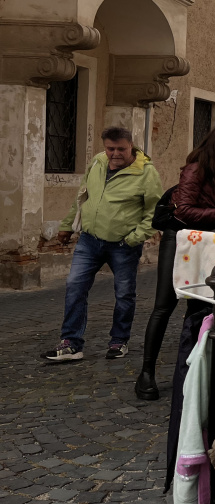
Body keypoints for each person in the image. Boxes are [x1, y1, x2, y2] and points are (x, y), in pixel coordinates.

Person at [135, 126, 215, 400]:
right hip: (178, 239)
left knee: (199, 305)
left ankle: (188, 370)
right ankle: (146, 373)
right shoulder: (195, 170)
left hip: (205, 242)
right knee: (164, 305)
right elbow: (184, 210)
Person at [44, 127, 163, 362]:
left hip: (123, 245)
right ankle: (71, 344)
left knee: (124, 294)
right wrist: (67, 225)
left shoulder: (146, 172)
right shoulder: (98, 162)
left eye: (121, 149)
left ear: (131, 147)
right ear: (104, 147)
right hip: (89, 241)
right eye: (110, 148)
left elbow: (155, 212)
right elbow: (82, 196)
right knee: (75, 286)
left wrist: (134, 238)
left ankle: (119, 341)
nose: (115, 154)